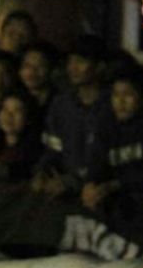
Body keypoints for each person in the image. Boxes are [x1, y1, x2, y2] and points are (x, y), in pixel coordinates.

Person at [33, 34, 111, 198]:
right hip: (64, 192)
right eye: (70, 61)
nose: (72, 68)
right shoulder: (61, 104)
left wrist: (77, 181)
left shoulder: (113, 105)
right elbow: (53, 148)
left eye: (80, 61)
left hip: (101, 194)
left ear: (100, 66)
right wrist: (42, 172)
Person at [82, 67, 143, 218]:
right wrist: (90, 184)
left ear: (142, 97)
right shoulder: (105, 123)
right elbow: (96, 162)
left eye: (128, 95)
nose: (120, 102)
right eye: (116, 95)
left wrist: (116, 184)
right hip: (115, 198)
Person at [18, 43, 56, 113]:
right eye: (27, 65)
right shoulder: (13, 99)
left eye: (40, 66)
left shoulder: (59, 103)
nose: (32, 71)